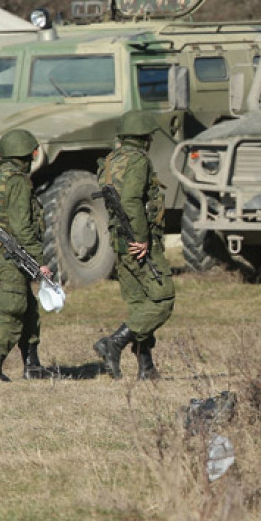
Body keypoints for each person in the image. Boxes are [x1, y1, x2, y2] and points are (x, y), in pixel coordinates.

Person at [93, 111, 175, 380]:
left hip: (119, 241)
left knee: (140, 304)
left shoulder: (111, 160)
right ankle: (114, 342)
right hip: (137, 242)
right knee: (163, 300)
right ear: (144, 138)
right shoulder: (138, 160)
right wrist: (141, 238)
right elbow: (131, 201)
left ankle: (146, 367)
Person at [0, 129, 52, 382]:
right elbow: (22, 227)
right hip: (10, 255)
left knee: (28, 308)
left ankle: (32, 365)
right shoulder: (16, 181)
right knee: (13, 308)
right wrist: (40, 260)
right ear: (27, 154)